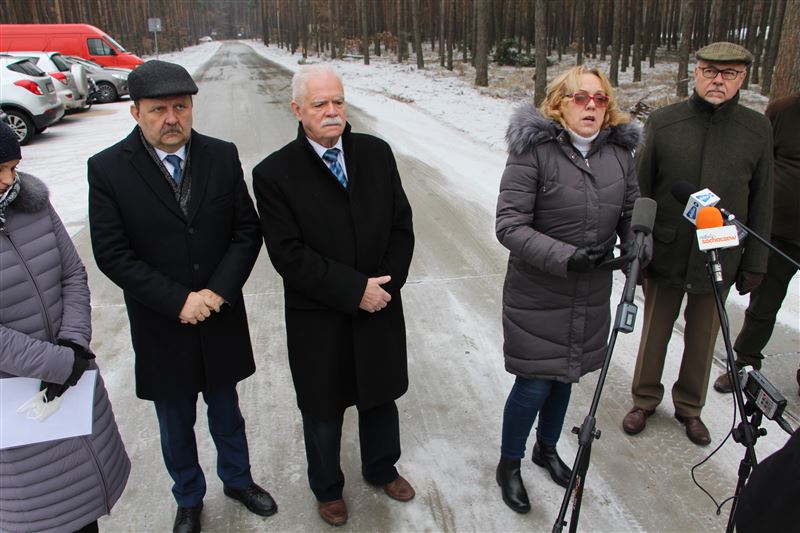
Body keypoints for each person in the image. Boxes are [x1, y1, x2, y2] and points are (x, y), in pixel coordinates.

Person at [87, 60, 273, 533]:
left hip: (218, 315)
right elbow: (112, 253)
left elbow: (246, 231)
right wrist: (178, 301)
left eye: (181, 107)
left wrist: (217, 291)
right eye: (158, 109)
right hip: (162, 323)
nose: (171, 118)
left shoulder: (221, 155)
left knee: (227, 412)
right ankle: (188, 498)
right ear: (136, 112)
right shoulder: (108, 169)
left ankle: (238, 480)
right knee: (175, 422)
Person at [252, 65, 415, 527]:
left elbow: (401, 226)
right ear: (297, 109)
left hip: (379, 305)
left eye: (338, 101)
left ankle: (382, 467)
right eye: (320, 103)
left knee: (379, 395)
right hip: (318, 316)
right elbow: (288, 255)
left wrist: (383, 288)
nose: (331, 111)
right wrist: (354, 290)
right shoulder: (274, 173)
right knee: (322, 406)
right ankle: (327, 488)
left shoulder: (376, 154)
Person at [494, 65, 643, 513]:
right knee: (534, 384)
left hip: (589, 293)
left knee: (566, 378)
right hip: (538, 293)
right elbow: (509, 225)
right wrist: (567, 257)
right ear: (559, 104)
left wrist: (638, 247)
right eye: (581, 97)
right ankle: (509, 463)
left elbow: (632, 212)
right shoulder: (533, 152)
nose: (591, 106)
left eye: (600, 98)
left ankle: (546, 448)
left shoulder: (619, 154)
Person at [623, 42, 773, 446]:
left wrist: (756, 262)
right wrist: (636, 245)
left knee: (704, 336)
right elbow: (640, 189)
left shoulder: (756, 129)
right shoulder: (665, 122)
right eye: (709, 71)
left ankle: (690, 407)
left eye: (728, 74)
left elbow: (763, 198)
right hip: (666, 249)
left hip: (720, 253)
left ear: (742, 77)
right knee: (655, 330)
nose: (717, 81)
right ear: (696, 73)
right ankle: (644, 398)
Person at [0, 121, 130, 532]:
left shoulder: (31, 203)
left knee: (84, 507)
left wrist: (74, 344)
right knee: (45, 517)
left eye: (12, 168)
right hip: (16, 408)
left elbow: (71, 273)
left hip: (69, 380)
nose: (9, 182)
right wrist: (58, 363)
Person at [713, 92, 799, 397]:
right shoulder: (783, 111)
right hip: (779, 233)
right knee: (763, 305)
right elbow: (760, 165)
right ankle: (744, 364)